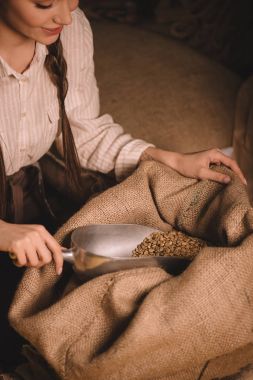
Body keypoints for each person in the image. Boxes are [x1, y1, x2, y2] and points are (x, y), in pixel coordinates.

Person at [0, 0, 247, 373]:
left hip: (29, 198)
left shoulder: (70, 31)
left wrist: (168, 158)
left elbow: (83, 131)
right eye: (45, 3)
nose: (65, 16)